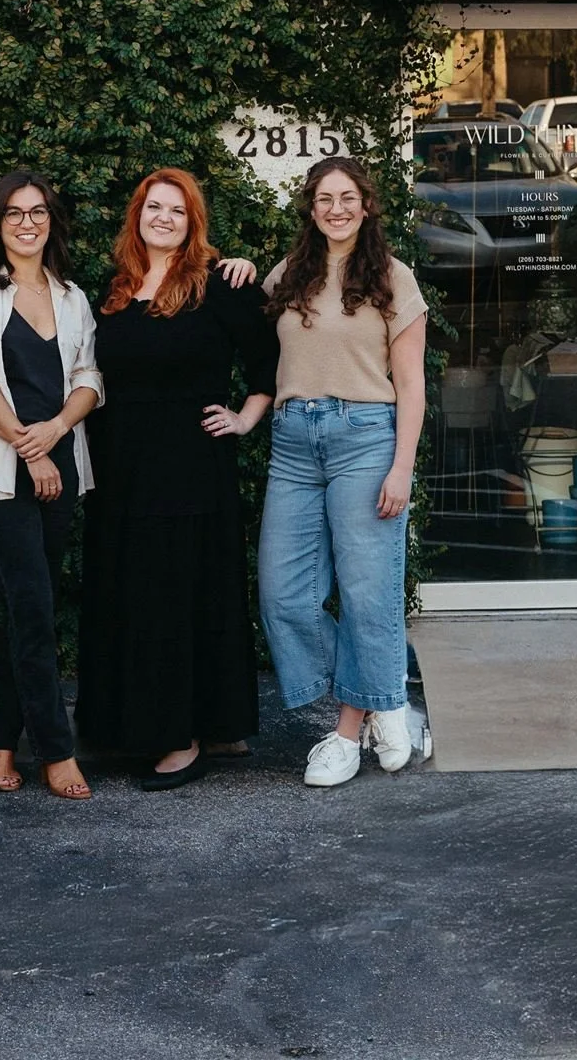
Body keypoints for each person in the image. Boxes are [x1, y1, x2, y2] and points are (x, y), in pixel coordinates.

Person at [76, 168, 277, 790]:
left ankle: (184, 736)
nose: (163, 217)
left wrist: (245, 417)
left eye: (177, 210)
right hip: (121, 472)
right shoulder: (113, 291)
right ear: (137, 215)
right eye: (153, 207)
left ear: (194, 223)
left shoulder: (220, 283)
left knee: (180, 597)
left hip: (190, 469)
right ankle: (138, 727)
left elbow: (269, 360)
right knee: (131, 596)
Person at [258, 156, 430, 788]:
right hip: (294, 443)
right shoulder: (286, 275)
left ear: (366, 206)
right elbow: (250, 343)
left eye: (347, 197)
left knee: (366, 594)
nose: (335, 208)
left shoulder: (392, 276)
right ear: (311, 207)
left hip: (365, 439)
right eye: (324, 198)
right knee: (285, 597)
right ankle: (388, 696)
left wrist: (401, 467)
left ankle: (348, 730)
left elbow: (411, 384)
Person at [0, 170, 103, 801]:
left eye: (37, 212)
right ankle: (55, 751)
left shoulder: (73, 296)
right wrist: (28, 447)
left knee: (27, 607)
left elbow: (91, 375)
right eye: (14, 213)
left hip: (61, 463)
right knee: (33, 605)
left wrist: (58, 428)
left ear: (51, 221)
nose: (27, 223)